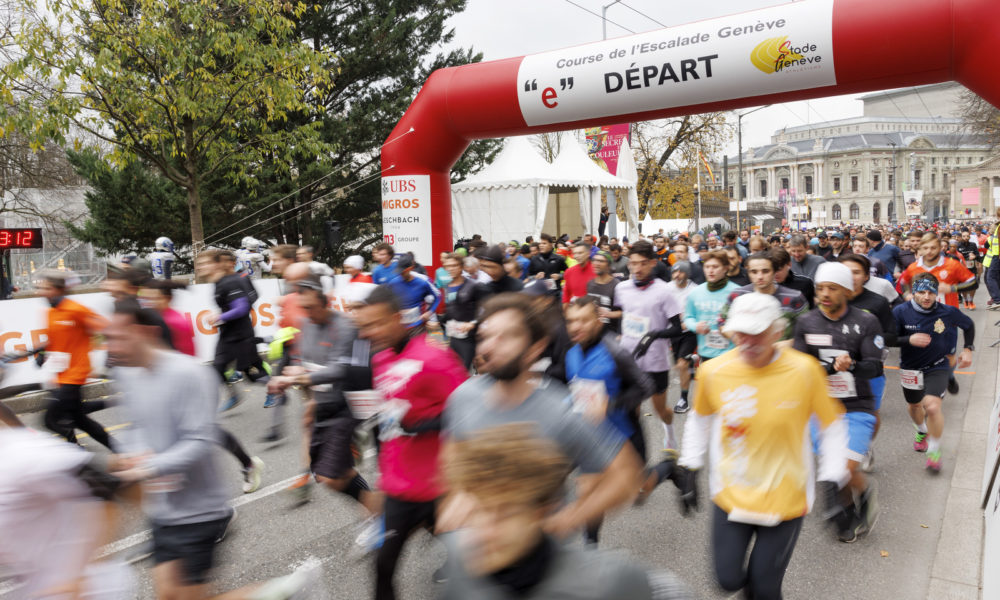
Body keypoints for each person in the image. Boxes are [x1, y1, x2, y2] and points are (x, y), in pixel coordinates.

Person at [106, 302, 318, 600]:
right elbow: (136, 427)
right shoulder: (127, 375)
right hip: (164, 508)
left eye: (118, 337)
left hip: (200, 510)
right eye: (108, 337)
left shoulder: (189, 374)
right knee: (168, 595)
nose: (110, 347)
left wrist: (148, 467)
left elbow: (200, 441)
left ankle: (284, 592)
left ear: (146, 333)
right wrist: (131, 453)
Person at [679, 292, 851, 599]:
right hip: (732, 492)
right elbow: (700, 419)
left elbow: (832, 427)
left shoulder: (804, 369)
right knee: (728, 580)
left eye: (756, 333)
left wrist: (832, 480)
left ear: (777, 331)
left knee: (766, 587)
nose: (746, 341)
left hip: (785, 498)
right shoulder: (713, 370)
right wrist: (690, 464)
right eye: (739, 333)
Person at [440, 293, 642, 541]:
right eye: (485, 337)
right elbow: (452, 454)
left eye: (508, 336)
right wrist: (458, 494)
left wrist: (568, 519)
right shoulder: (462, 397)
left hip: (543, 563)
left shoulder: (561, 410)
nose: (490, 346)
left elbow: (625, 476)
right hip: (478, 555)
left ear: (535, 347)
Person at [440, 424, 694, 600]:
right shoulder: (459, 556)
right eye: (479, 509)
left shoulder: (607, 581)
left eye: (505, 514)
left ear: (541, 512)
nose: (485, 530)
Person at [353, 285, 468, 600]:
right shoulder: (381, 359)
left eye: (376, 324)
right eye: (364, 327)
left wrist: (422, 426)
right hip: (400, 489)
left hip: (441, 487)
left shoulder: (435, 358)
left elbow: (471, 410)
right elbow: (388, 423)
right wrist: (380, 477)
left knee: (475, 562)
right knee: (383, 566)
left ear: (396, 318)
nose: (370, 333)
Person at [267, 283, 382, 528]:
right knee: (327, 474)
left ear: (325, 301)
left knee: (333, 476)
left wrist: (299, 377)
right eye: (303, 307)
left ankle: (383, 516)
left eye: (359, 309)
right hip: (329, 405)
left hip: (350, 407)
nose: (306, 312)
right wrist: (304, 385)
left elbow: (342, 369)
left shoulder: (348, 328)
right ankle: (377, 511)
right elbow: (310, 361)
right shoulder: (308, 325)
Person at [793, 262, 882, 542]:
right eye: (820, 289)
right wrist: (831, 368)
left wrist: (852, 364)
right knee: (835, 469)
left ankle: (863, 494)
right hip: (821, 408)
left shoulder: (866, 321)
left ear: (847, 291)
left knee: (844, 468)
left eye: (832, 288)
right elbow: (800, 371)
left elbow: (875, 368)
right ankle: (848, 511)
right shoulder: (806, 322)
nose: (825, 294)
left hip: (857, 406)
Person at [560, 296, 654, 545]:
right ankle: (591, 550)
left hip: (624, 437)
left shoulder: (615, 351)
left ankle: (670, 470)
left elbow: (646, 386)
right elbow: (577, 390)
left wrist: (611, 405)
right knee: (588, 494)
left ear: (598, 320)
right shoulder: (571, 353)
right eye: (571, 321)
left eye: (583, 320)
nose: (576, 327)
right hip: (591, 438)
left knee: (638, 492)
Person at [893, 272, 975, 472]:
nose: (926, 297)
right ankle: (921, 431)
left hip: (938, 366)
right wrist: (908, 340)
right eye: (921, 292)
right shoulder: (900, 312)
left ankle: (934, 452)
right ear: (914, 292)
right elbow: (888, 338)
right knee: (914, 407)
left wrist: (967, 349)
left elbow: (968, 325)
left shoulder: (948, 311)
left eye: (930, 292)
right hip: (911, 368)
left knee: (931, 407)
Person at [615, 240, 684, 454]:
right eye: (633, 264)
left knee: (660, 409)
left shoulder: (665, 291)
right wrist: (619, 335)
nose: (637, 268)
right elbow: (622, 315)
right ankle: (634, 452)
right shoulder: (621, 288)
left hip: (655, 361)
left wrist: (654, 335)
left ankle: (669, 432)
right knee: (631, 411)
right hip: (628, 358)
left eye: (643, 263)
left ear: (653, 263)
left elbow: (677, 329)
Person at [34, 270, 114, 449]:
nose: (40, 292)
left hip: (76, 375)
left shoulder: (76, 310)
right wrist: (42, 354)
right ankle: (120, 450)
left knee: (49, 420)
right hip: (60, 376)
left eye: (45, 288)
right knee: (82, 421)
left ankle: (79, 457)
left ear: (58, 289)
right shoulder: (50, 313)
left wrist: (102, 350)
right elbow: (54, 341)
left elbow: (105, 329)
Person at [197, 250, 270, 412]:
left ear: (217, 264)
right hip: (227, 335)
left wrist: (219, 316)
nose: (199, 267)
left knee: (252, 374)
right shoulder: (219, 282)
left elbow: (242, 308)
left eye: (204, 263)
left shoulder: (232, 281)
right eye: (199, 264)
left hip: (242, 335)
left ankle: (278, 387)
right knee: (217, 369)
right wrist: (222, 318)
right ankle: (233, 396)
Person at [720, 251, 808, 341]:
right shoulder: (737, 295)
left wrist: (789, 343)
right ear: (748, 273)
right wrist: (737, 339)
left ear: (774, 271)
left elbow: (807, 329)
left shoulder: (794, 297)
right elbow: (721, 321)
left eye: (765, 271)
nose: (760, 276)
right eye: (754, 272)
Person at [441, 252, 486, 370]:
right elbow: (450, 310)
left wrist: (473, 323)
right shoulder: (447, 286)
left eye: (454, 265)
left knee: (463, 371)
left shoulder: (473, 286)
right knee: (452, 370)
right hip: (453, 336)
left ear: (461, 267)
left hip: (469, 338)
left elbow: (485, 308)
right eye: (448, 266)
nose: (450, 269)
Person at [666, 261, 698, 414]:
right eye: (674, 272)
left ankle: (683, 400)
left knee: (681, 364)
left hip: (689, 333)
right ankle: (690, 360)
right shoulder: (667, 288)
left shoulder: (694, 290)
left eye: (680, 272)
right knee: (680, 366)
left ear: (687, 273)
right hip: (673, 333)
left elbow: (699, 313)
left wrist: (687, 323)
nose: (677, 275)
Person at [387, 252, 441, 329]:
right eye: (399, 272)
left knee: (435, 338)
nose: (401, 274)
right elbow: (386, 301)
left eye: (403, 272)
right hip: (399, 328)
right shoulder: (393, 283)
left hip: (417, 327)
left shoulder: (422, 283)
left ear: (410, 268)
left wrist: (429, 312)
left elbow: (437, 297)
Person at [586, 250, 622, 334]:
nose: (596, 264)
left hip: (610, 333)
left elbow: (625, 312)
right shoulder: (590, 284)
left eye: (601, 261)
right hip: (592, 332)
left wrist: (609, 314)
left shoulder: (617, 285)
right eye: (594, 260)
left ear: (609, 266)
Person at [956, 229, 983, 309]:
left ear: (969, 237)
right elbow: (955, 256)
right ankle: (966, 301)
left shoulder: (973, 245)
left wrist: (974, 256)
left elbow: (978, 255)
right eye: (964, 236)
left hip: (972, 268)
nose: (966, 238)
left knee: (973, 286)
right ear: (961, 237)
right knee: (964, 287)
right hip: (962, 269)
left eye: (967, 236)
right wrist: (963, 258)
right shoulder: (958, 246)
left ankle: (971, 301)